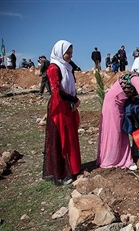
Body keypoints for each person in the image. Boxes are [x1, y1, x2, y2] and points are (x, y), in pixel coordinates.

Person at [96, 66, 139, 171]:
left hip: (119, 104)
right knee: (114, 132)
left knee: (121, 132)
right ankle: (111, 160)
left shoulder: (138, 78)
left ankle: (121, 159)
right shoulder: (137, 80)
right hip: (113, 104)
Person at [43, 40, 81, 186]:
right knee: (63, 139)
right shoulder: (54, 68)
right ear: (60, 52)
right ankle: (63, 172)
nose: (70, 56)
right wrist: (74, 99)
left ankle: (74, 168)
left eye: (71, 53)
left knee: (71, 137)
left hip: (67, 107)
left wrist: (73, 101)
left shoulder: (67, 67)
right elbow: (57, 91)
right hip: (58, 109)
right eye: (68, 53)